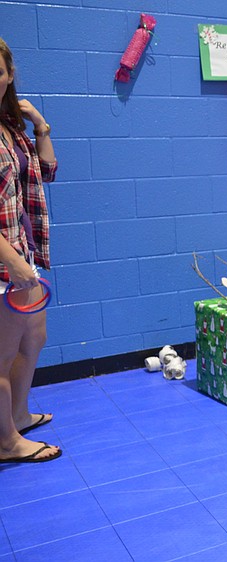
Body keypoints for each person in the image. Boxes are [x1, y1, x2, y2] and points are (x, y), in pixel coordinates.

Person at [0, 38, 61, 463]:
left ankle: (18, 416)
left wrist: (40, 127)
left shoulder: (10, 126)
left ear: (8, 74)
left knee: (34, 338)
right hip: (7, 260)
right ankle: (6, 442)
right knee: (1, 356)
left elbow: (47, 171)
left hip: (24, 253)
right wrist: (11, 260)